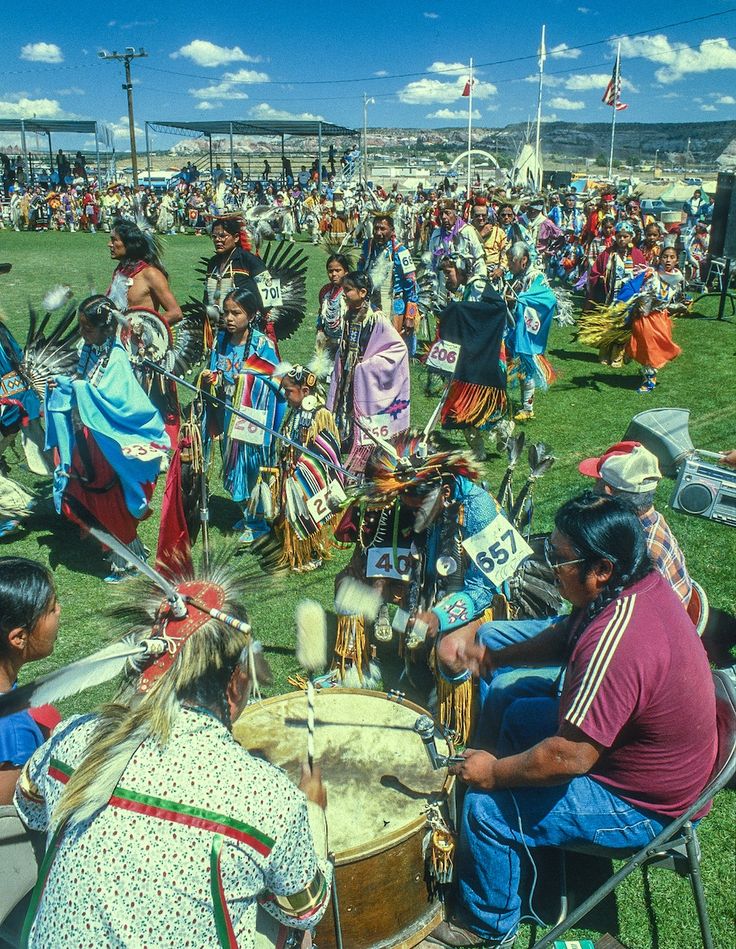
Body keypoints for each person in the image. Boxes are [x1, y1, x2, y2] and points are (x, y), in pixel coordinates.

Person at [429, 493, 717, 947]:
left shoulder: (618, 642)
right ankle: (509, 862)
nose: (550, 566)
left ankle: (486, 927)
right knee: (519, 708)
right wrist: (497, 656)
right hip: (644, 762)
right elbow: (567, 635)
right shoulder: (630, 586)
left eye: (559, 558)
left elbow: (570, 756)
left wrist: (495, 774)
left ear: (600, 568)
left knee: (485, 810)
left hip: (646, 805)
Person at [14, 565, 332, 947]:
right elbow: (305, 908)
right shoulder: (267, 799)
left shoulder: (74, 738)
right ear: (236, 683)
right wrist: (312, 812)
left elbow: (28, 802)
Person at [44, 296, 169, 581]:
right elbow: (83, 382)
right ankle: (106, 538)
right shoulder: (90, 349)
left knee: (111, 495)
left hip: (111, 438)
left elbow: (115, 399)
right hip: (91, 433)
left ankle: (127, 556)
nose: (83, 333)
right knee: (83, 486)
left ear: (106, 328)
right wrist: (66, 384)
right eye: (82, 327)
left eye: (88, 328)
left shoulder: (116, 358)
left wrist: (74, 387)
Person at [201, 287, 286, 545]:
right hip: (228, 411)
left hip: (252, 415)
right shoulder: (221, 341)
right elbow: (213, 369)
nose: (229, 318)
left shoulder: (262, 344)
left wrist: (246, 381)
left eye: (236, 313)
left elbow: (276, 380)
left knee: (251, 467)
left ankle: (258, 522)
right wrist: (210, 379)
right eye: (226, 312)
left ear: (251, 315)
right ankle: (247, 514)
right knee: (232, 462)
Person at [578, 440, 692, 608]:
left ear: (607, 491)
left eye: (597, 483)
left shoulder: (637, 551)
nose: (594, 489)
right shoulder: (652, 519)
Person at [326, 272, 410, 473]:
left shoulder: (376, 319)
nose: (343, 294)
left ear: (363, 292)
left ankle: (366, 452)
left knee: (364, 417)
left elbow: (399, 349)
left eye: (348, 290)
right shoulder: (350, 314)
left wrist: (366, 367)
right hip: (348, 375)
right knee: (346, 410)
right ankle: (349, 441)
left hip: (363, 377)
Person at [266, 365, 344, 572]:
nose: (285, 395)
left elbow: (328, 452)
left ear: (305, 391)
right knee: (289, 515)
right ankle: (294, 551)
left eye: (289, 391)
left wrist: (304, 469)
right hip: (290, 473)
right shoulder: (295, 412)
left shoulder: (320, 415)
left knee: (306, 514)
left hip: (308, 477)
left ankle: (311, 553)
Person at [0, 558, 61, 804]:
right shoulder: (15, 735)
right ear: (19, 638)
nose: (59, 611)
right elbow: (8, 827)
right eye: (51, 609)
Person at [503, 242, 557, 422]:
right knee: (517, 367)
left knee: (526, 368)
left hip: (527, 332)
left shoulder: (536, 277)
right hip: (515, 328)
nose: (509, 265)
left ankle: (528, 408)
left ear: (524, 260)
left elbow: (547, 299)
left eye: (512, 261)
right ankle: (521, 404)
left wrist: (521, 300)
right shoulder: (518, 276)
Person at [625, 244, 684, 393]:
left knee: (660, 348)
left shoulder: (677, 279)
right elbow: (643, 294)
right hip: (646, 317)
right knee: (650, 350)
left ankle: (637, 360)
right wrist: (642, 309)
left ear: (677, 260)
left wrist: (679, 306)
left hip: (661, 319)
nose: (668, 260)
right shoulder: (652, 274)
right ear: (660, 258)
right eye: (665, 257)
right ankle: (649, 380)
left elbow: (670, 301)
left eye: (672, 257)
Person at [358, 213, 420, 355]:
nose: (378, 233)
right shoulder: (368, 246)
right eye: (376, 228)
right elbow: (361, 272)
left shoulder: (401, 251)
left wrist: (410, 316)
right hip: (371, 304)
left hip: (395, 305)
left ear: (392, 230)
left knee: (392, 348)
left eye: (383, 229)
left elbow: (412, 286)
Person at [106, 219, 182, 326]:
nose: (109, 244)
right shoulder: (120, 271)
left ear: (129, 244)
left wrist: (144, 327)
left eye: (114, 240)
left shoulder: (151, 274)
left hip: (143, 341)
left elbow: (175, 313)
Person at [429, 200, 487, 306]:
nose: (444, 217)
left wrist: (479, 284)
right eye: (441, 214)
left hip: (466, 285)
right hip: (443, 285)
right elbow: (431, 262)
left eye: (448, 213)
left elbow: (479, 260)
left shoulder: (467, 231)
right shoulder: (436, 234)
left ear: (456, 213)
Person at [315, 253, 350, 366]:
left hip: (346, 342)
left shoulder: (351, 292)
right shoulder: (325, 291)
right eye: (330, 271)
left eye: (338, 270)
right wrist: (320, 329)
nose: (334, 274)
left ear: (346, 272)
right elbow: (321, 313)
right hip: (329, 341)